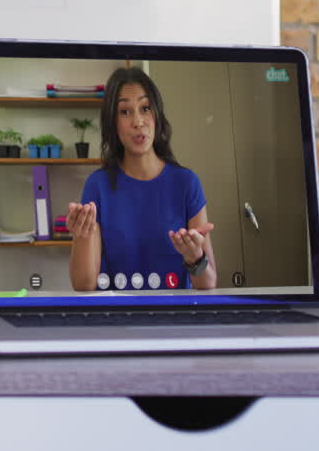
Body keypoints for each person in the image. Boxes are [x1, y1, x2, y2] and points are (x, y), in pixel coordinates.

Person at [67, 67, 218, 291]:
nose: (138, 121)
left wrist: (194, 257)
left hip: (175, 319)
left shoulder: (186, 184)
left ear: (156, 114)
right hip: (117, 319)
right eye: (125, 112)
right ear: (113, 123)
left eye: (145, 108)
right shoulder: (97, 186)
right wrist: (81, 237)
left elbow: (209, 284)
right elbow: (84, 286)